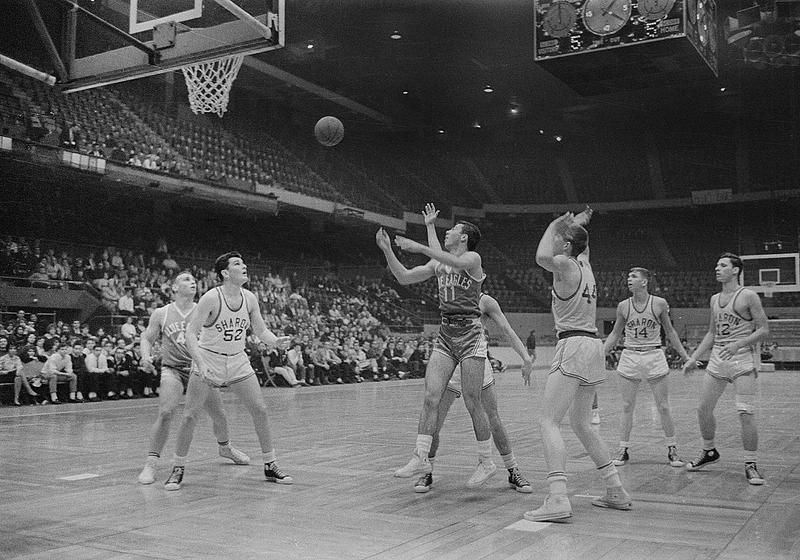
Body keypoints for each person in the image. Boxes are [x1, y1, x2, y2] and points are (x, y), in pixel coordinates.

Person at [524, 207, 631, 522]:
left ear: (568, 246)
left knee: (548, 421)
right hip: (593, 346)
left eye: (560, 240)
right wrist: (578, 226)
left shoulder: (565, 266)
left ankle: (558, 497)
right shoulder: (586, 264)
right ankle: (615, 489)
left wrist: (554, 223)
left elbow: (541, 257)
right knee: (582, 424)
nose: (556, 243)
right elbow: (583, 245)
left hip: (572, 344)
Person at [377, 203, 495, 489]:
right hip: (446, 333)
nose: (448, 232)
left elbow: (450, 261)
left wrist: (418, 245)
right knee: (431, 397)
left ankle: (486, 461)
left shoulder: (473, 258)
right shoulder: (439, 264)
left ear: (464, 237)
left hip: (470, 334)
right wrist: (388, 250)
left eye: (452, 229)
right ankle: (420, 457)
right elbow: (404, 276)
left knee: (472, 400)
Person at [164, 253, 293, 490]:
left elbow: (261, 331)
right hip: (208, 359)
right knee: (190, 415)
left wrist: (275, 341)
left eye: (243, 263)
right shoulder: (211, 298)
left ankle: (270, 464)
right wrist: (200, 363)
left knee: (260, 410)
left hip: (237, 360)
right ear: (225, 272)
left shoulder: (250, 298)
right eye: (237, 264)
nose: (244, 266)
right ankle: (178, 468)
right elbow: (191, 333)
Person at [395, 293, 534, 494]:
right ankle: (427, 470)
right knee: (436, 420)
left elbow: (507, 329)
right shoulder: (449, 295)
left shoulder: (486, 301)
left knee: (493, 419)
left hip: (476, 361)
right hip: (450, 363)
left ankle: (513, 470)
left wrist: (526, 357)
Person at [137, 271, 251, 485]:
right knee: (166, 412)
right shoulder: (161, 313)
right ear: (174, 287)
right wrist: (145, 356)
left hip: (200, 369)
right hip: (173, 369)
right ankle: (151, 463)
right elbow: (147, 338)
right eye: (186, 279)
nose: (193, 282)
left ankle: (225, 447)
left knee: (219, 415)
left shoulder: (205, 308)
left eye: (194, 280)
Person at [682, 253, 770, 485]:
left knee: (745, 412)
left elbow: (764, 329)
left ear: (735, 270)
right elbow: (712, 333)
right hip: (718, 358)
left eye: (722, 265)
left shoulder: (748, 296)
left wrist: (738, 344)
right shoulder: (715, 299)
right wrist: (693, 358)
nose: (717, 268)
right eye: (717, 265)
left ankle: (751, 464)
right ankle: (709, 451)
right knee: (703, 409)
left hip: (741, 358)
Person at [603, 267, 692, 468]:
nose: (629, 279)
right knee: (627, 406)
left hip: (653, 354)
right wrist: (600, 353)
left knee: (663, 406)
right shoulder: (623, 306)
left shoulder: (659, 303)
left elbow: (670, 332)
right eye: (628, 276)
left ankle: (672, 449)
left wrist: (686, 357)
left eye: (633, 277)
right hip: (630, 354)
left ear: (644, 282)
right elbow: (615, 334)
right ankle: (623, 450)